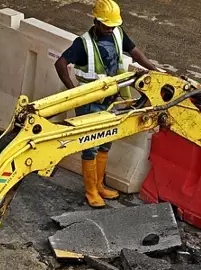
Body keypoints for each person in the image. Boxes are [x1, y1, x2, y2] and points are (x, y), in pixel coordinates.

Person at [54, 0, 159, 208]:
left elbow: (134, 51)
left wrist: (153, 69)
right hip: (90, 104)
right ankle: (91, 191)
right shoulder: (83, 44)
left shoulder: (117, 32)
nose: (110, 30)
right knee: (90, 147)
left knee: (105, 143)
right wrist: (73, 92)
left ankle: (100, 185)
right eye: (106, 26)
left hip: (110, 101)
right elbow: (60, 63)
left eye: (113, 26)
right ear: (96, 22)